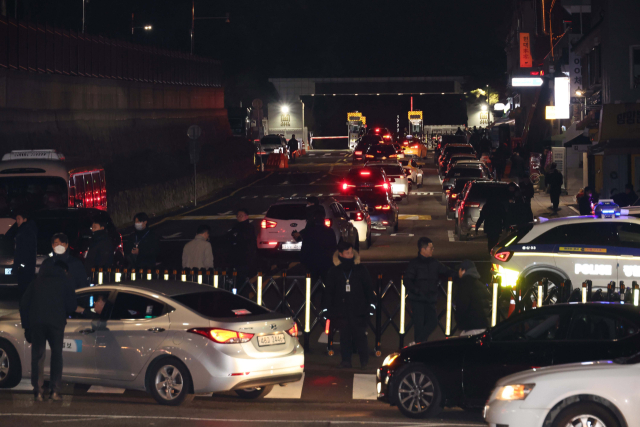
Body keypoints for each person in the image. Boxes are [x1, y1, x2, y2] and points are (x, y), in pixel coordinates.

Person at [20, 261, 76, 401]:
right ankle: (54, 391)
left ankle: (38, 391)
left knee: (38, 357)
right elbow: (71, 306)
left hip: (37, 324)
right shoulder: (64, 283)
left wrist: (26, 326)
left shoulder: (35, 283)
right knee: (57, 356)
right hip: (56, 324)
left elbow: (24, 304)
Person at [322, 241, 375, 369]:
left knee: (360, 336)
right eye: (347, 253)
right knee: (344, 336)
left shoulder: (361, 269)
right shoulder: (334, 272)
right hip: (341, 310)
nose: (350, 255)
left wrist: (371, 305)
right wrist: (326, 309)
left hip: (359, 309)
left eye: (351, 252)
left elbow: (368, 288)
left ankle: (364, 360)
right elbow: (329, 292)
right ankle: (346, 360)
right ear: (340, 254)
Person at [404, 237, 454, 344]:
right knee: (419, 326)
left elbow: (446, 270)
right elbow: (407, 281)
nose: (433, 250)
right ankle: (419, 348)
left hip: (430, 300)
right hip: (417, 300)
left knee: (433, 322)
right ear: (423, 249)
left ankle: (418, 343)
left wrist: (459, 272)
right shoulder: (414, 263)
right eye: (430, 248)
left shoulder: (434, 263)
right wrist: (417, 291)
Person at [4, 210, 37, 296]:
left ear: (25, 219)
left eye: (19, 219)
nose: (17, 221)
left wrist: (18, 266)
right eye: (16, 219)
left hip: (24, 267)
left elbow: (21, 251)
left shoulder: (24, 232)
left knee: (24, 289)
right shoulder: (24, 231)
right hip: (26, 266)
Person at [454, 260, 490, 337]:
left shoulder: (464, 285)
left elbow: (461, 306)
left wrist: (460, 322)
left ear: (464, 271)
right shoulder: (479, 284)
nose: (458, 272)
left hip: (471, 327)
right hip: (482, 325)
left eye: (459, 270)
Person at [300, 209, 337, 283]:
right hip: (326, 262)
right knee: (326, 281)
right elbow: (333, 248)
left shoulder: (309, 232)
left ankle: (312, 292)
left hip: (312, 262)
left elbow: (304, 248)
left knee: (312, 281)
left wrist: (303, 261)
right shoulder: (329, 231)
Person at [225, 209, 257, 284]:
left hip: (244, 256)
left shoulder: (249, 227)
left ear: (247, 216)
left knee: (241, 276)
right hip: (238, 256)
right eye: (238, 216)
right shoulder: (236, 226)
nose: (239, 217)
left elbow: (243, 239)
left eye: (241, 215)